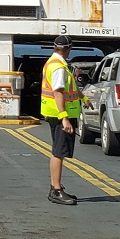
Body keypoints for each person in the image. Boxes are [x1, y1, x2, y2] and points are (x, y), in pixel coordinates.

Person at [41, 35, 92, 205]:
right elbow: (58, 92)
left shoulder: (55, 63)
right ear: (68, 49)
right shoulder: (59, 67)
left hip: (56, 114)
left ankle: (56, 188)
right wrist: (65, 119)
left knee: (59, 151)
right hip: (60, 115)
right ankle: (56, 190)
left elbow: (69, 87)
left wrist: (83, 98)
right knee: (59, 152)